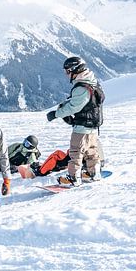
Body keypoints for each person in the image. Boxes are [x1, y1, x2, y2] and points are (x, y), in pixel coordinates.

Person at [46, 56, 105, 186]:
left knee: (76, 153)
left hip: (82, 127)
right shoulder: (92, 82)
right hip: (93, 126)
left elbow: (74, 106)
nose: (67, 75)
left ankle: (73, 178)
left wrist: (56, 114)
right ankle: (93, 173)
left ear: (74, 70)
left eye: (67, 71)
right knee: (91, 151)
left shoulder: (81, 87)